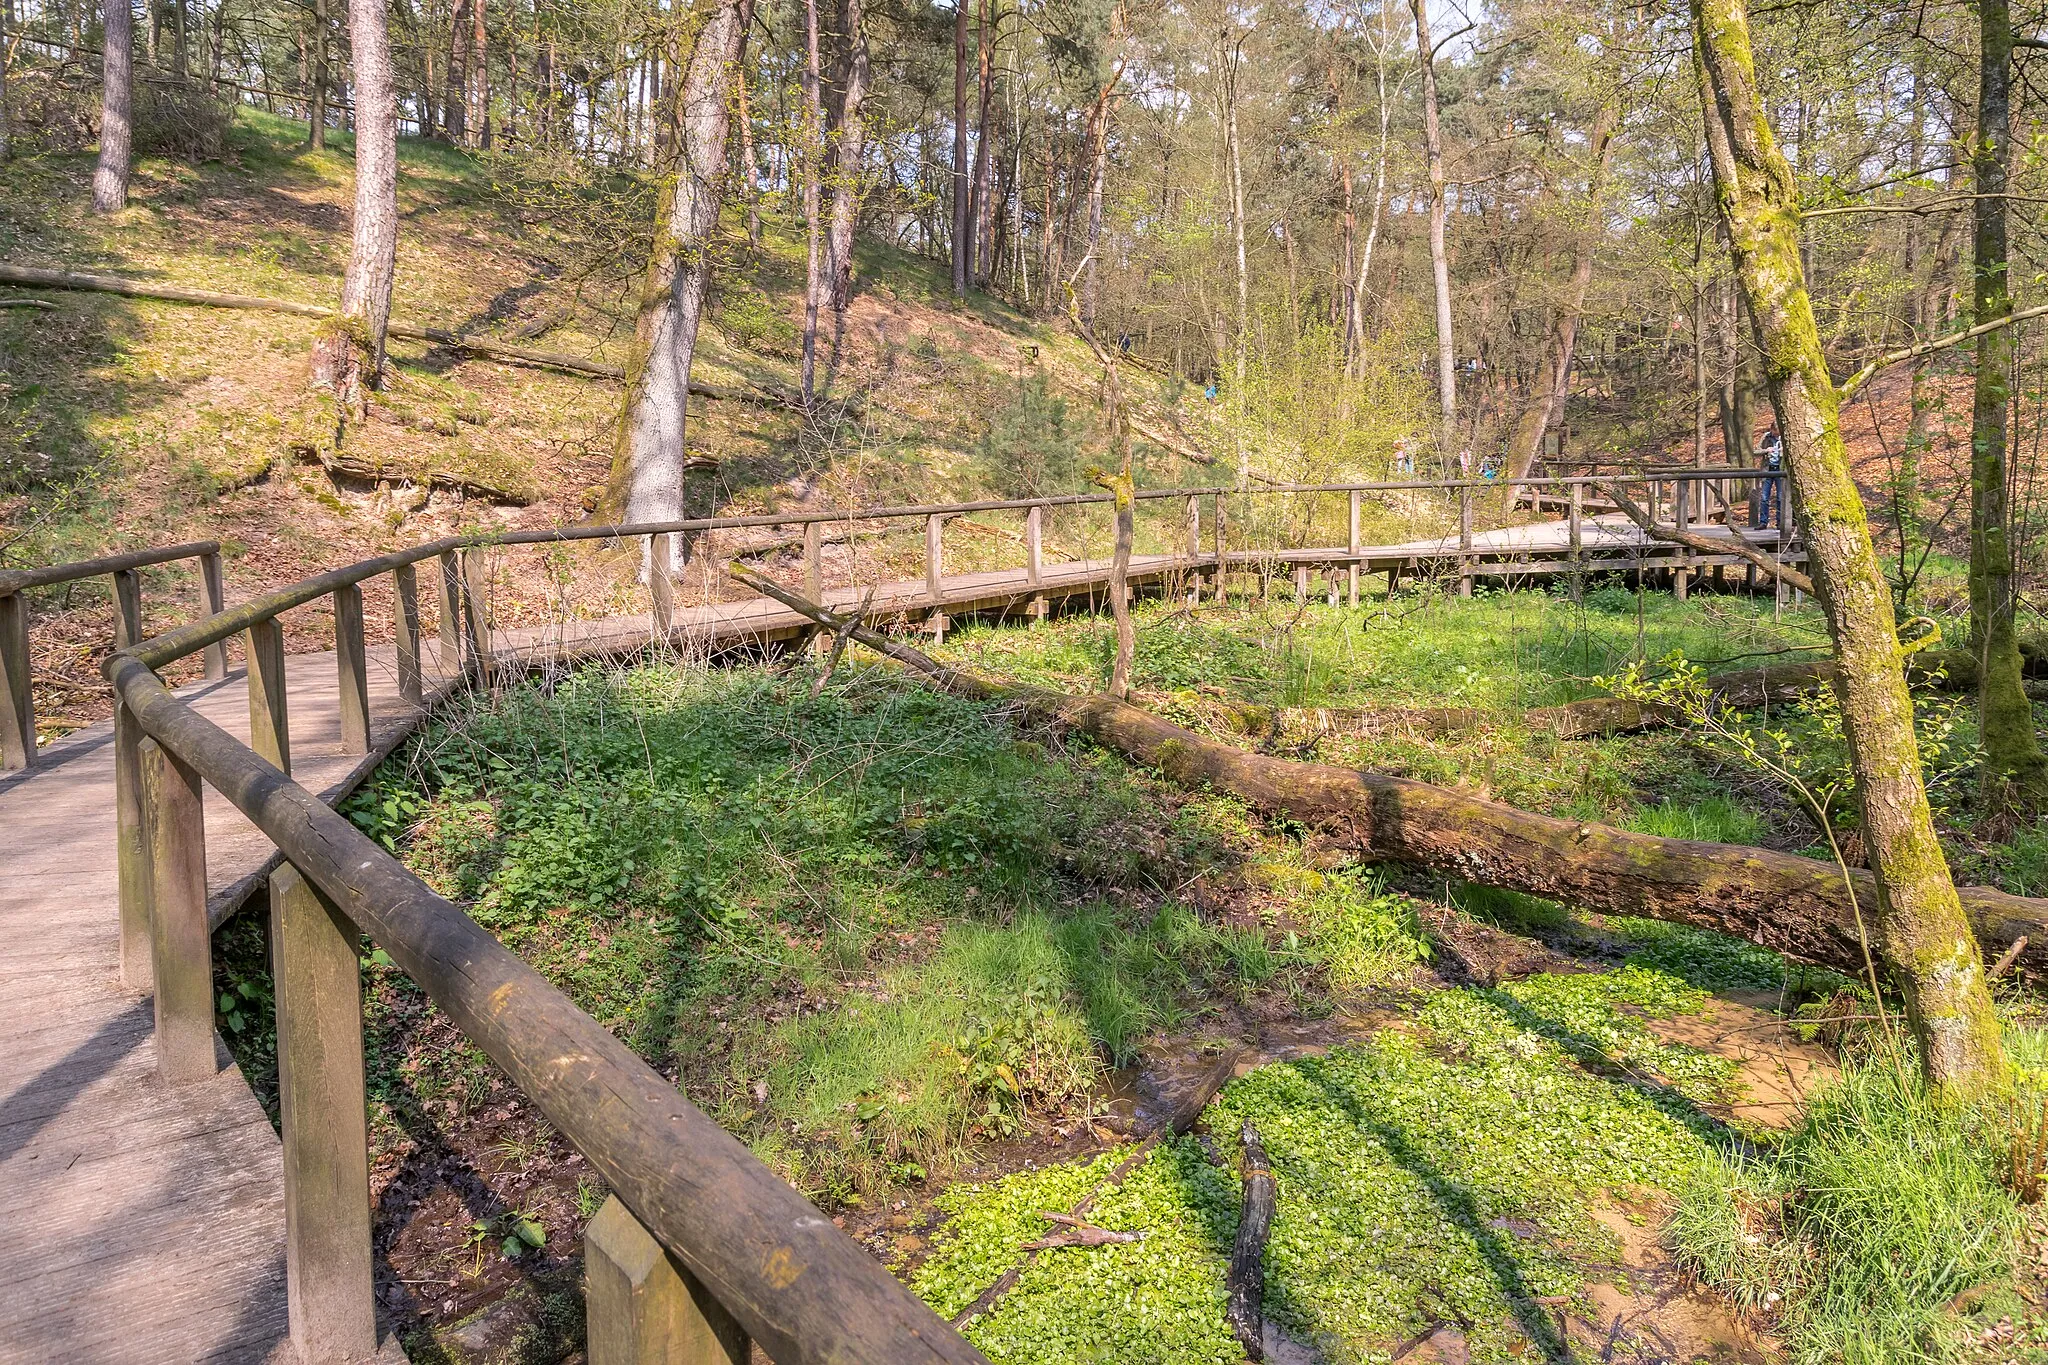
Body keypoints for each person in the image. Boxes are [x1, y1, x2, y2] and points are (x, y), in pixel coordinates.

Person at [1756, 425, 1784, 530]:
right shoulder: (1766, 437)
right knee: (1764, 497)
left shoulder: (1784, 437)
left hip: (1780, 469)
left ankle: (1780, 522)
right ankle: (1763, 522)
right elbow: (1755, 451)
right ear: (1771, 430)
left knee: (1780, 497)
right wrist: (1766, 450)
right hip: (1767, 469)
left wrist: (1783, 450)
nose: (1777, 435)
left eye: (1778, 433)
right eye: (1775, 432)